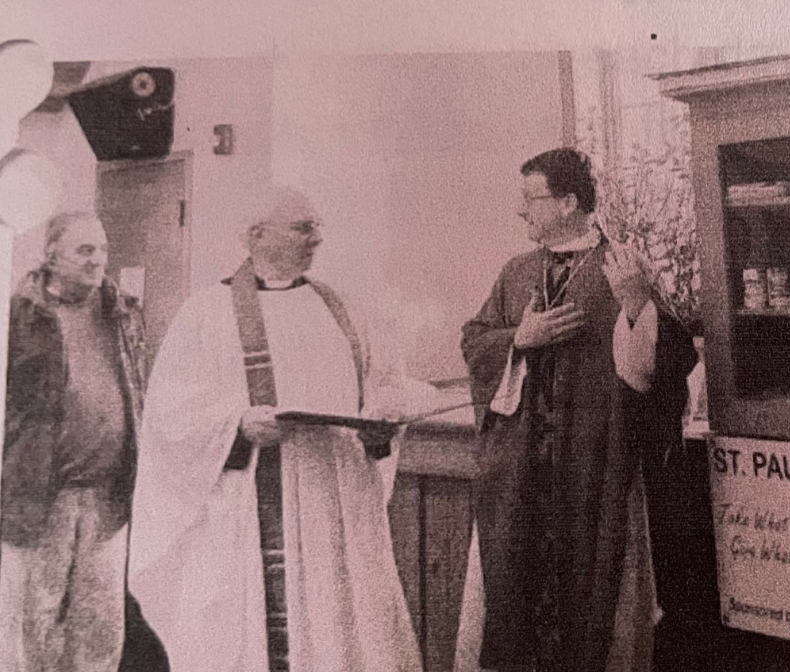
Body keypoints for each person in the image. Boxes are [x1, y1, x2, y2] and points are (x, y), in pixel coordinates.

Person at [127, 186, 423, 672]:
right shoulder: (205, 313)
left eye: (317, 226)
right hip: (243, 505)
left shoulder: (342, 307)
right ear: (255, 235)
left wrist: (383, 413)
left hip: (333, 503)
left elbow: (387, 381)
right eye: (304, 227)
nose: (317, 239)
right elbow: (167, 416)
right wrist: (237, 424)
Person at [462, 148, 697, 672]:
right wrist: (519, 338)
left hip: (596, 465)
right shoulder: (516, 271)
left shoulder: (624, 267)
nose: (520, 211)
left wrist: (637, 304)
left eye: (531, 198)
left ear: (569, 201)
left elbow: (676, 361)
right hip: (522, 469)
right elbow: (475, 339)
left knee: (595, 601)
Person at [0, 212, 147, 672]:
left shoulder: (122, 312)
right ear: (51, 256)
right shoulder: (20, 316)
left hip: (108, 498)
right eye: (85, 251)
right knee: (33, 622)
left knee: (101, 626)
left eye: (102, 249)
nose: (97, 260)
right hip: (41, 497)